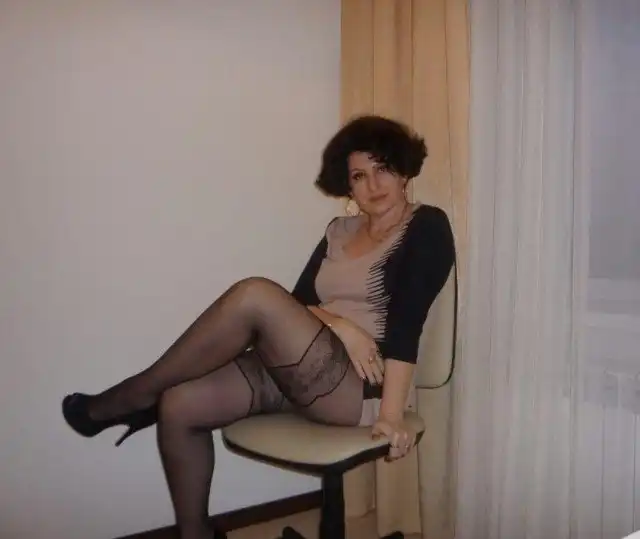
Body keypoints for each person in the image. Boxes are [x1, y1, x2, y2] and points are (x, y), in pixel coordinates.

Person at [61, 114, 455, 539]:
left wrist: (392, 416)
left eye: (383, 169)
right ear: (348, 186)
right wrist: (340, 326)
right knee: (179, 404)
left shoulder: (426, 226)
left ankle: (134, 395)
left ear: (404, 172)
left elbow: (407, 326)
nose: (373, 185)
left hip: (361, 386)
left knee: (255, 295)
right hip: (308, 369)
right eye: (359, 176)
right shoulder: (339, 231)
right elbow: (300, 303)